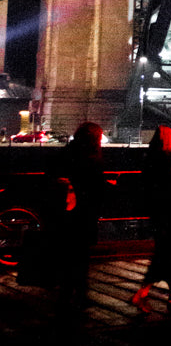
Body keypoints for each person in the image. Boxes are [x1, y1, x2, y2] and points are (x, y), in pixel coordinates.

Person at [131, 126, 171, 312]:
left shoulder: (151, 160)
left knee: (165, 251)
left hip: (158, 212)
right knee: (167, 253)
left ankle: (169, 290)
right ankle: (147, 291)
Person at [56, 121, 113, 312]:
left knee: (67, 255)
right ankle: (80, 294)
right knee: (81, 256)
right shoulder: (92, 159)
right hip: (85, 213)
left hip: (66, 212)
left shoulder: (67, 153)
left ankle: (65, 295)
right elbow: (95, 187)